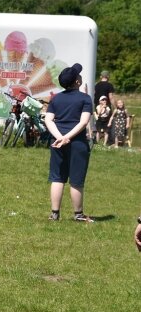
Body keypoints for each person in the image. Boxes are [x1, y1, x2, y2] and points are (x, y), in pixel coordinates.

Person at [44, 63, 94, 223]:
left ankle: (54, 214)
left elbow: (48, 119)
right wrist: (68, 138)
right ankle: (78, 214)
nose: (80, 76)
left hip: (57, 142)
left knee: (57, 178)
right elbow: (83, 122)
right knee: (76, 179)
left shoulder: (56, 98)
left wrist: (60, 137)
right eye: (79, 75)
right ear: (77, 82)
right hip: (77, 143)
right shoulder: (85, 98)